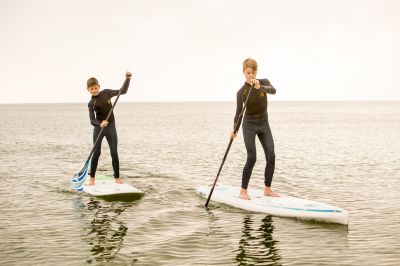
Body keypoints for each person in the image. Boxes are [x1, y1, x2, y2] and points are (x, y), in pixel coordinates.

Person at [231, 58, 278, 199]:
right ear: (244, 73)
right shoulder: (242, 92)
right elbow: (239, 113)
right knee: (252, 157)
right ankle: (243, 191)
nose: (251, 75)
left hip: (264, 123)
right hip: (249, 124)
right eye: (248, 73)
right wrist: (234, 130)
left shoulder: (264, 82)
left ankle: (267, 189)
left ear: (256, 71)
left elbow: (274, 91)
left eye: (253, 72)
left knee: (271, 155)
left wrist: (260, 87)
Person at [86, 71, 132, 186]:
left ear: (99, 87)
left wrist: (128, 79)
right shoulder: (91, 103)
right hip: (99, 128)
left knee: (114, 152)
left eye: (95, 87)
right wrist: (100, 123)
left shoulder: (106, 93)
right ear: (88, 90)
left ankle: (117, 178)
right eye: (91, 89)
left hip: (111, 127)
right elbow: (92, 120)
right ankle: (92, 178)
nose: (94, 90)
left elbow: (123, 91)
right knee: (96, 152)